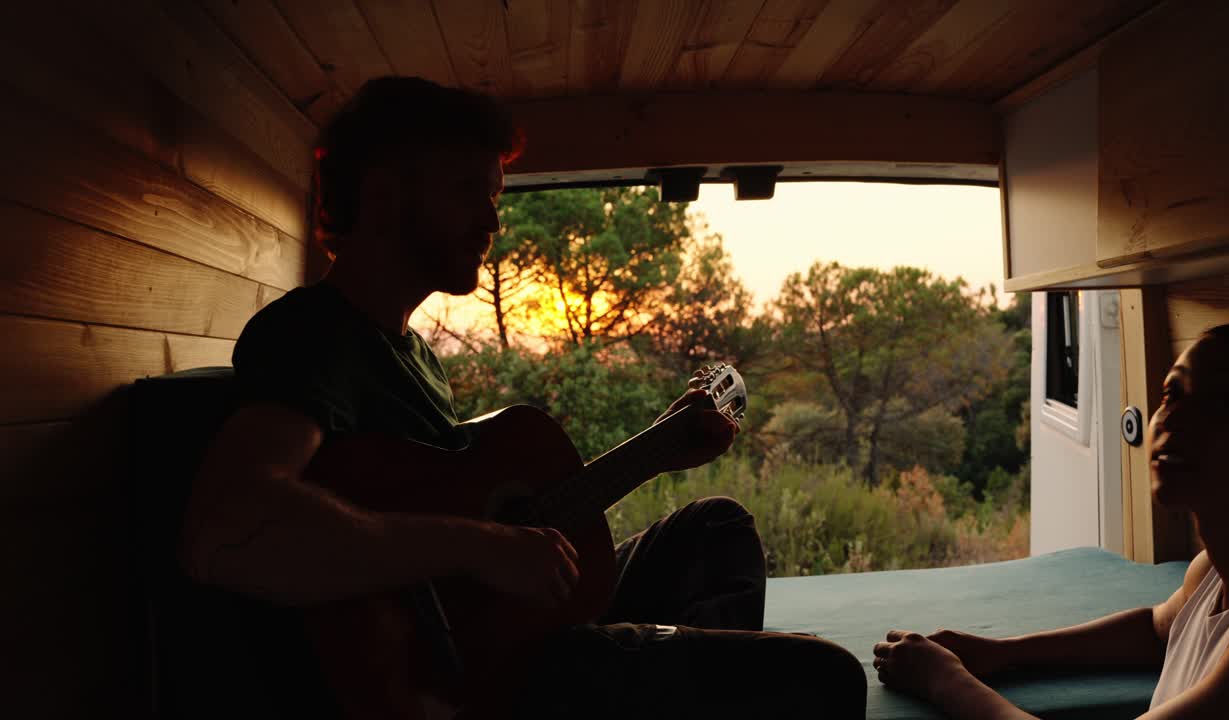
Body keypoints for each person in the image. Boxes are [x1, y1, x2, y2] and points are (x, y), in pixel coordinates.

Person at [181, 76, 865, 719]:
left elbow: (477, 519)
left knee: (714, 528)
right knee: (821, 678)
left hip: (497, 627)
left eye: (495, 198)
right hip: (451, 679)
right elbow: (228, 528)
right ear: (385, 194)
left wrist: (657, 450)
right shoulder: (312, 334)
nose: (492, 221)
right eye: (467, 192)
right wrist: (479, 547)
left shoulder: (413, 354)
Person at [871, 313, 1229, 718]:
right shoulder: (1212, 572)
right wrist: (1003, 652)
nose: (1174, 417)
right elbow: (1156, 629)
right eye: (1171, 393)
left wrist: (943, 679)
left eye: (1223, 403)